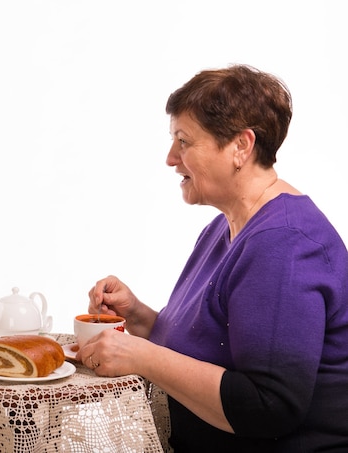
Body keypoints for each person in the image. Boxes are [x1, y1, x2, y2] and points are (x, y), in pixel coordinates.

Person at [78, 65, 348, 452]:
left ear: (241, 146)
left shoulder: (283, 244)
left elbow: (268, 407)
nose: (171, 158)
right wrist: (141, 320)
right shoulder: (228, 228)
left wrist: (143, 357)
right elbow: (216, 351)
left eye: (184, 141)